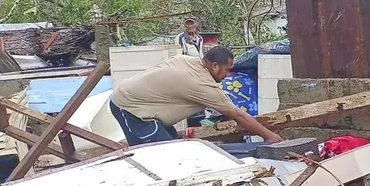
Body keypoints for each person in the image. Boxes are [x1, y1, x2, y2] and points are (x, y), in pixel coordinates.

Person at [110, 46, 283, 146]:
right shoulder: (201, 84)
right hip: (129, 108)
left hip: (144, 105)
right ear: (214, 66)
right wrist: (269, 136)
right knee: (159, 156)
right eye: (227, 70)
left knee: (172, 144)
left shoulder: (187, 60)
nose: (228, 74)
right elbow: (237, 115)